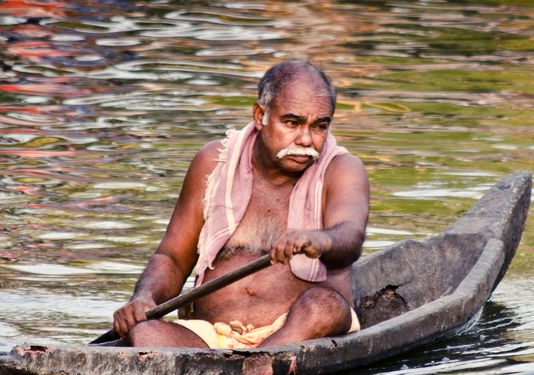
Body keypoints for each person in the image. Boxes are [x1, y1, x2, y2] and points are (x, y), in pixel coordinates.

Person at [111, 60, 370, 348]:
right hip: (212, 337)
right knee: (146, 334)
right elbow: (172, 257)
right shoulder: (213, 162)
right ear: (260, 115)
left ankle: (264, 360)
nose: (306, 139)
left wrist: (319, 240)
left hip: (301, 335)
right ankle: (249, 368)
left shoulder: (342, 168)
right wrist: (144, 298)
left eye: (320, 126)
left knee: (325, 306)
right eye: (292, 123)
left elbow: (351, 238)